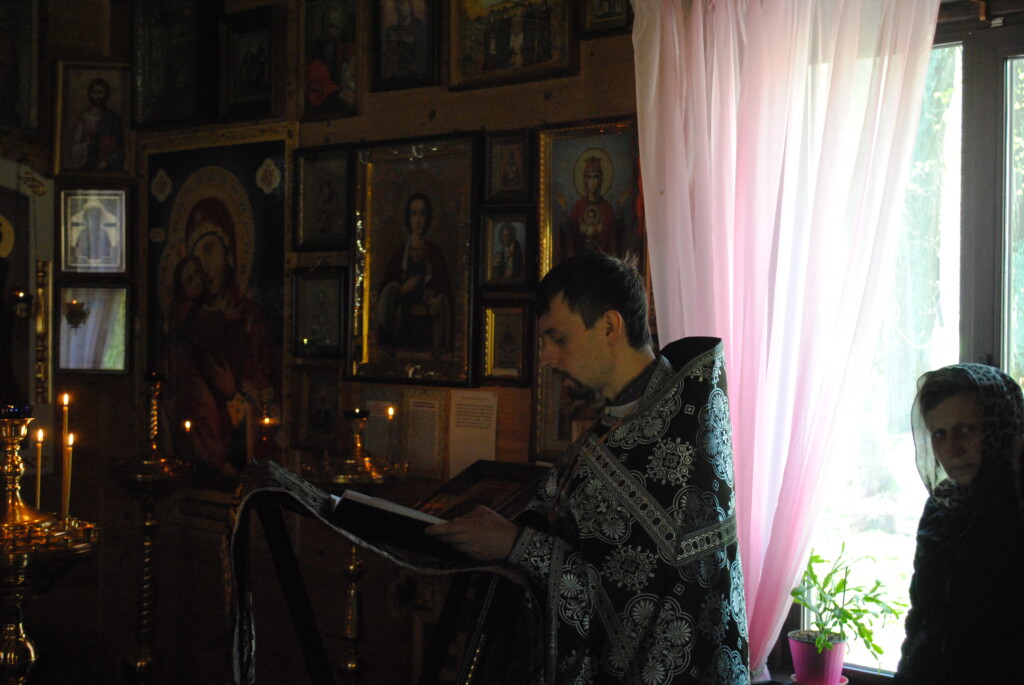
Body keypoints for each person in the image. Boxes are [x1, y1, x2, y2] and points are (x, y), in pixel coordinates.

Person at [426, 253, 750, 684]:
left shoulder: (679, 434)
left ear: (610, 326)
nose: (545, 357)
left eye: (558, 338)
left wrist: (515, 544)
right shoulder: (626, 423)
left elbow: (633, 599)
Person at [893, 363, 1024, 684]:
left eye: (966, 429)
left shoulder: (1017, 510)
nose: (951, 449)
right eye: (939, 434)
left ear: (1001, 426)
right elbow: (922, 614)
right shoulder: (943, 506)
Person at [377, 193, 452, 350]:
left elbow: (446, 292)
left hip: (427, 329)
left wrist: (440, 300)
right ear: (408, 217)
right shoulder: (399, 254)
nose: (418, 220)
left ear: (428, 218)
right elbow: (383, 296)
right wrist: (402, 290)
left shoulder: (435, 253)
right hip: (403, 328)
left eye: (422, 214)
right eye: (414, 213)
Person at [559, 154, 620, 259]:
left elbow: (612, 243)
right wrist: (564, 216)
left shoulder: (607, 208)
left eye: (595, 177)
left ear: (600, 180)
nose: (592, 182)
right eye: (589, 177)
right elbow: (570, 238)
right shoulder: (578, 207)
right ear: (585, 180)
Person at [67, 77, 124, 171]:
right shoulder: (84, 117)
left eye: (100, 92)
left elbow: (120, 146)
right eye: (94, 92)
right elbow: (74, 146)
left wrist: (108, 160)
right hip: (87, 162)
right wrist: (85, 145)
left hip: (107, 164)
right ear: (90, 94)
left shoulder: (112, 118)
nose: (97, 96)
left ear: (106, 94)